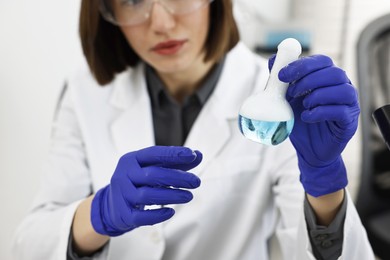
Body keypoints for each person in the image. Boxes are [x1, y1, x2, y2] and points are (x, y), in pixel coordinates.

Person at [12, 0, 374, 259]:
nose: (162, 23)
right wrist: (97, 215)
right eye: (133, 0)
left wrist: (324, 181)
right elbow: (27, 247)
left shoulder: (276, 103)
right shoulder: (85, 91)